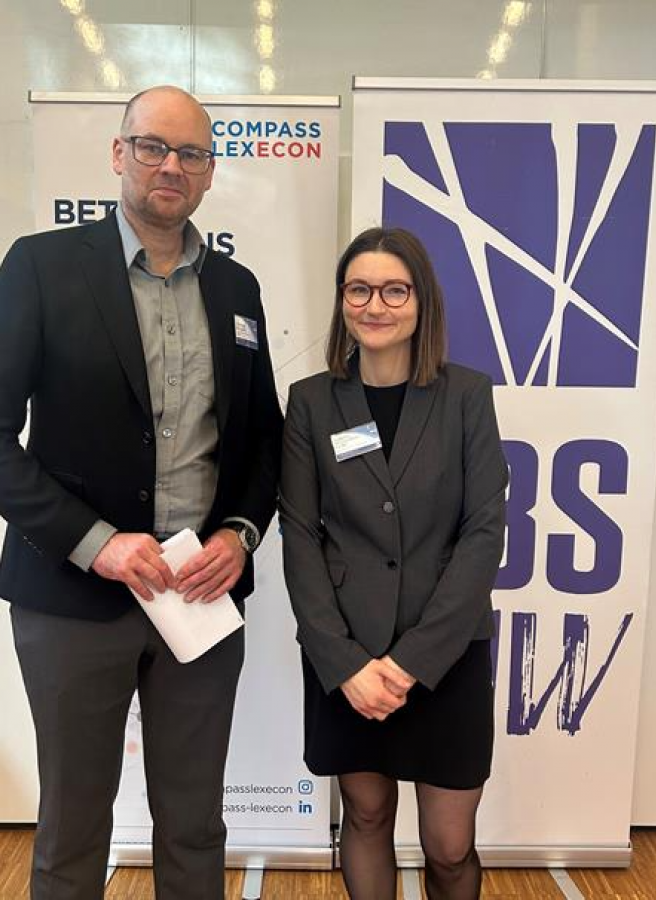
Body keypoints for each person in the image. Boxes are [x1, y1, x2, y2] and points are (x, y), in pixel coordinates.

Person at [0, 86, 282, 900]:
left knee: (195, 825)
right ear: (118, 153)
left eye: (191, 153)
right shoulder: (41, 267)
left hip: (199, 596)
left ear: (210, 172)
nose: (171, 166)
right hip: (71, 599)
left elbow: (264, 440)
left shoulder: (237, 289)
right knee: (73, 829)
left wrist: (239, 534)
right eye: (152, 146)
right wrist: (97, 543)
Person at [280, 227, 507, 900]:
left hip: (446, 652)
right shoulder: (312, 401)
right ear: (342, 301)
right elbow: (300, 533)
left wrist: (411, 663)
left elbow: (482, 531)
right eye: (359, 289)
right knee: (366, 816)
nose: (374, 305)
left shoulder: (467, 395)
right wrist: (344, 663)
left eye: (393, 290)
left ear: (421, 301)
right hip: (348, 655)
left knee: (449, 846)